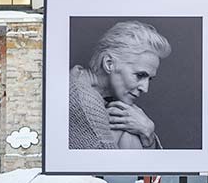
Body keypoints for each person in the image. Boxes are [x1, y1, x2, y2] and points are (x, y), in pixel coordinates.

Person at [69, 21, 171, 149]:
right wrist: (147, 135)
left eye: (149, 79)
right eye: (140, 75)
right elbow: (112, 161)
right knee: (129, 134)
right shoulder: (85, 105)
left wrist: (148, 134)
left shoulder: (77, 77)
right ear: (109, 64)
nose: (145, 89)